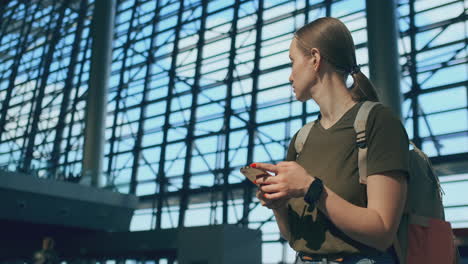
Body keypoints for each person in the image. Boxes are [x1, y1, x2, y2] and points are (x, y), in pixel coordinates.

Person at [252, 17, 409, 264]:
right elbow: (295, 237)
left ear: (314, 58)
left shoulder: (378, 122)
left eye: (292, 62)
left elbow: (382, 232)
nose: (289, 77)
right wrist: (278, 205)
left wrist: (311, 188)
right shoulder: (301, 139)